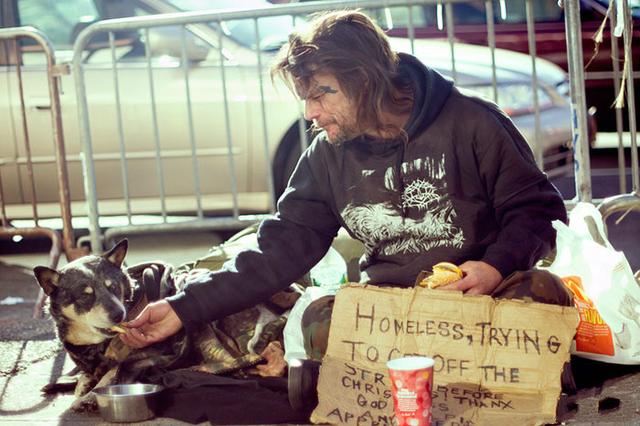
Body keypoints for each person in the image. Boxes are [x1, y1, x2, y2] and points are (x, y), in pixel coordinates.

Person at [120, 11, 572, 365]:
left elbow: (538, 211)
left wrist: (495, 267)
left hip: (481, 299)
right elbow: (280, 249)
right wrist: (182, 308)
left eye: (322, 94)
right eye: (306, 99)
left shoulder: (472, 122)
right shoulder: (326, 155)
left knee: (544, 293)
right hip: (391, 311)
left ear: (366, 79)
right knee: (318, 319)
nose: (311, 112)